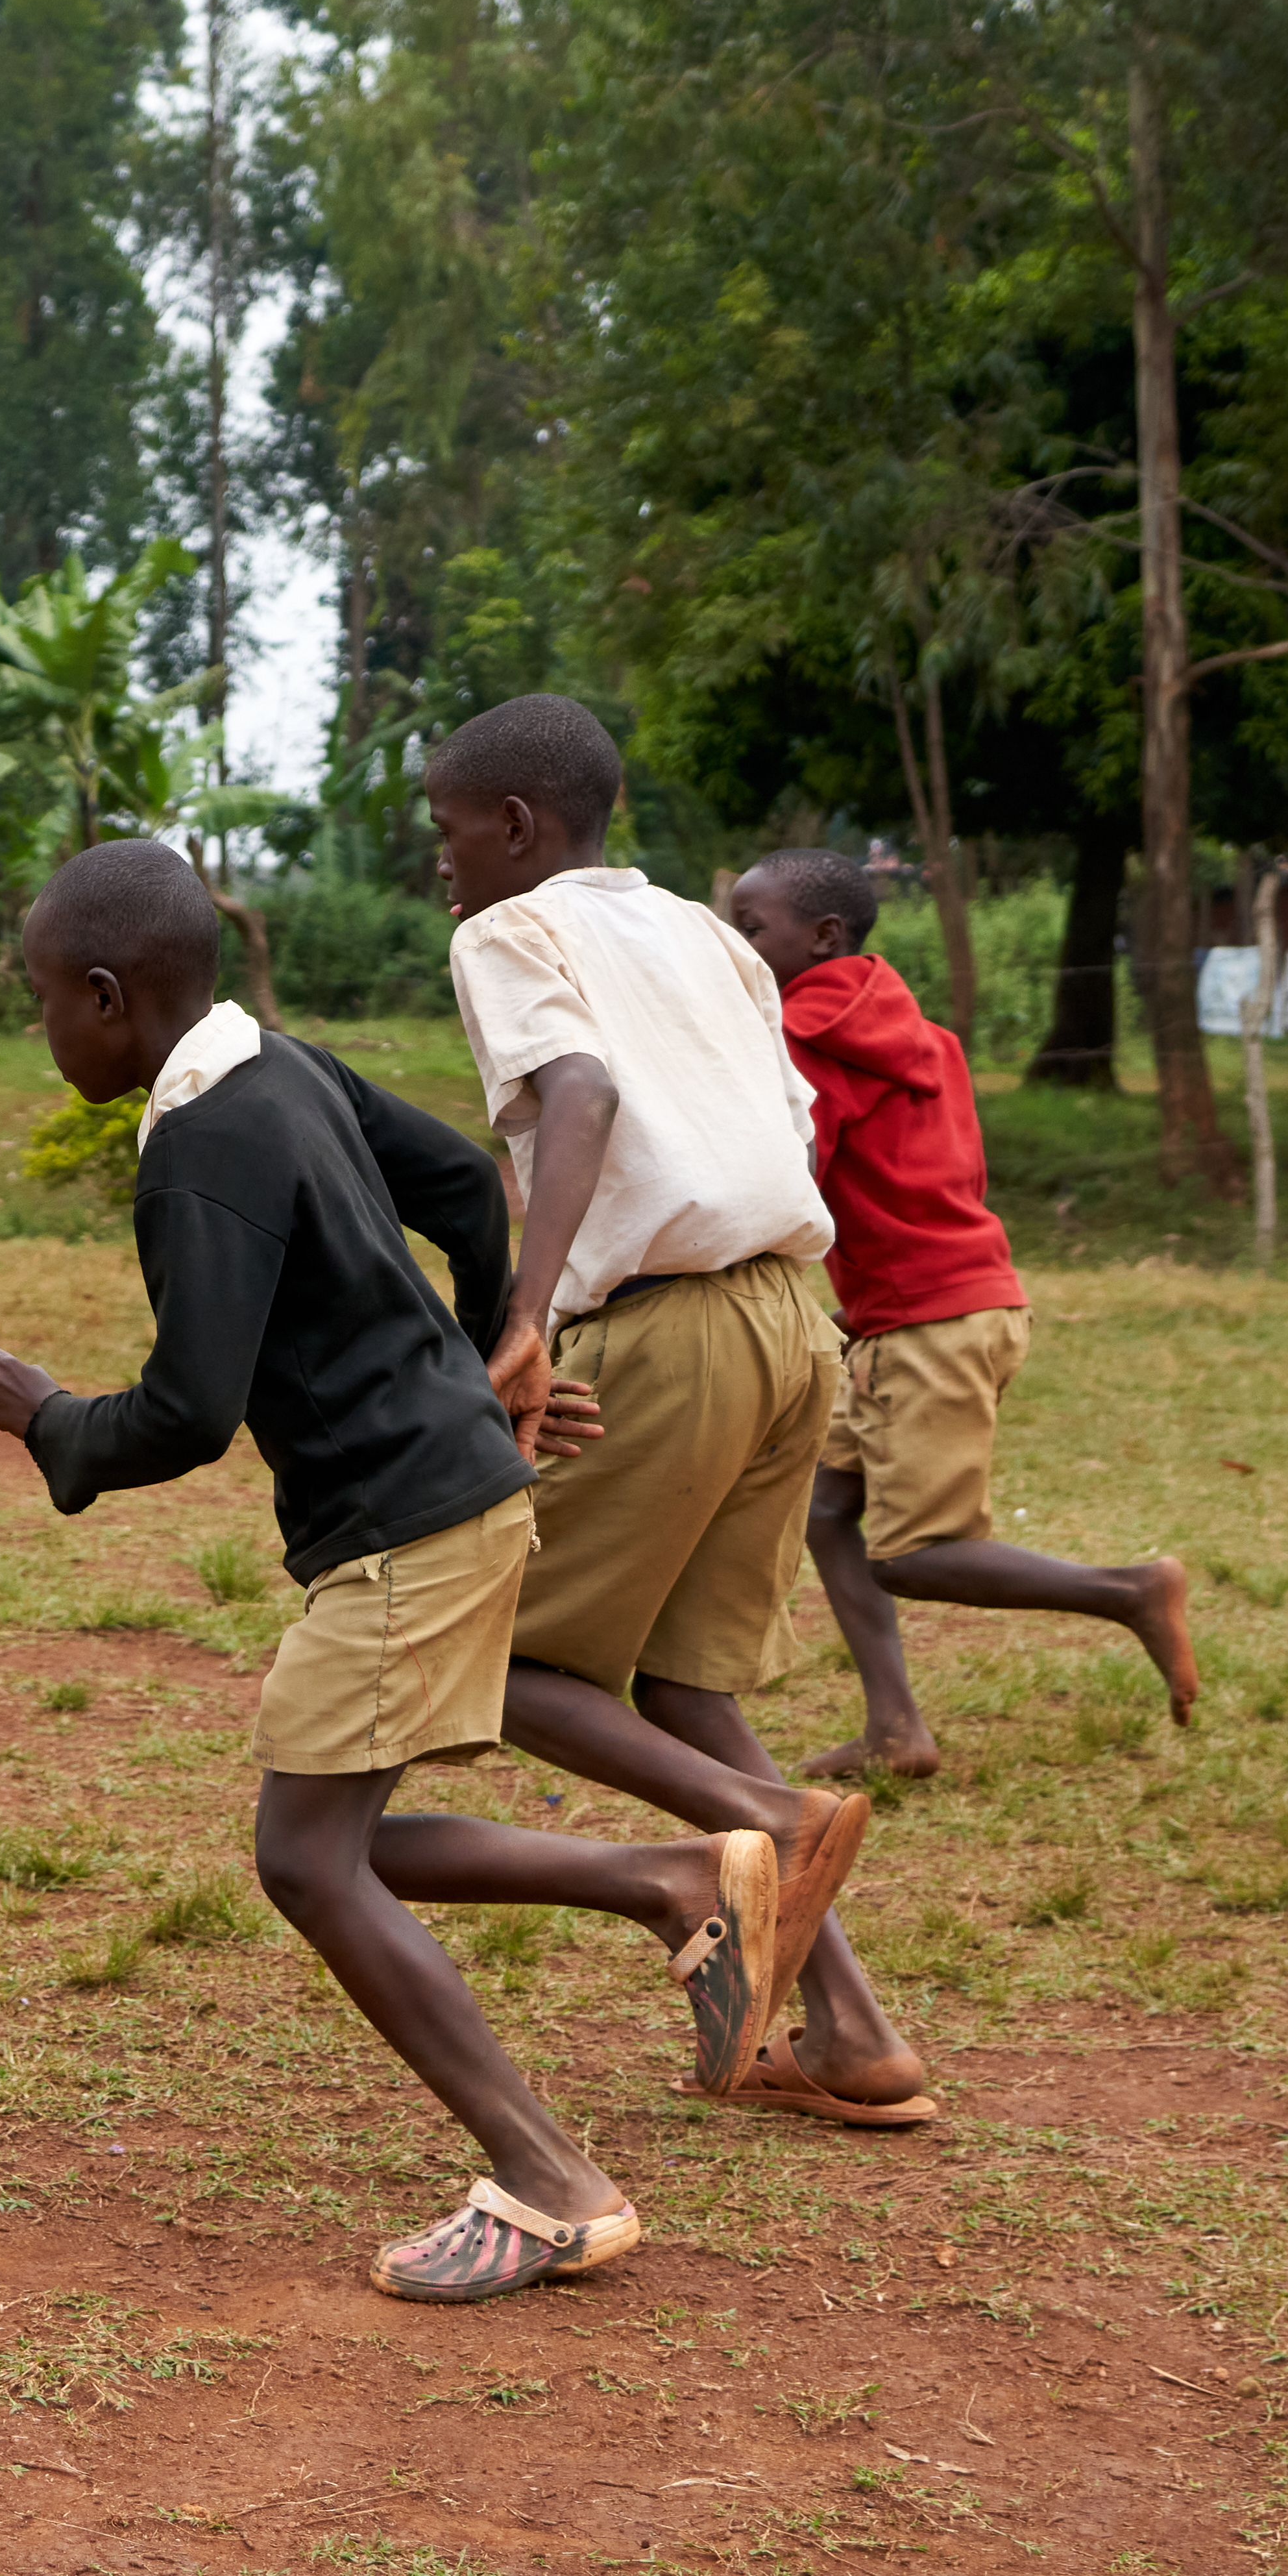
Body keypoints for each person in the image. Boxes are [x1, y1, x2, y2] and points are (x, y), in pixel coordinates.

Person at [0, 838, 816, 2307]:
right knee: (343, 1838)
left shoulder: (196, 1147)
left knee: (301, 1856)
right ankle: (672, 1878)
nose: (41, 1027)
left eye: (43, 999)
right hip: (462, 1491)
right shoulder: (289, 1068)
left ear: (107, 996)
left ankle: (552, 2181)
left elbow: (187, 1409)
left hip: (403, 1527)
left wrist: (50, 1421)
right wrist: (495, 1365)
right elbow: (467, 1198)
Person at [421, 696, 926, 2128]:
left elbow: (574, 1091)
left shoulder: (508, 933)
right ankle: (856, 2034)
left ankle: (771, 1825)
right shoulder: (711, 937)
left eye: (446, 831)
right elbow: (787, 1122)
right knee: (682, 1686)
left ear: (512, 826)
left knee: (496, 1659)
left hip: (671, 1329)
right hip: (790, 1321)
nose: (440, 864)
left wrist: (521, 1320)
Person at [724, 848, 1198, 1775]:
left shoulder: (801, 1037)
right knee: (826, 1508)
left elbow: (793, 1178)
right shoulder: (916, 1029)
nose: (735, 945)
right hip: (959, 1297)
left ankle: (1131, 1589)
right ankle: (895, 1730)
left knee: (913, 1552)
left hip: (923, 1319)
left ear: (822, 935)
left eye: (750, 928)